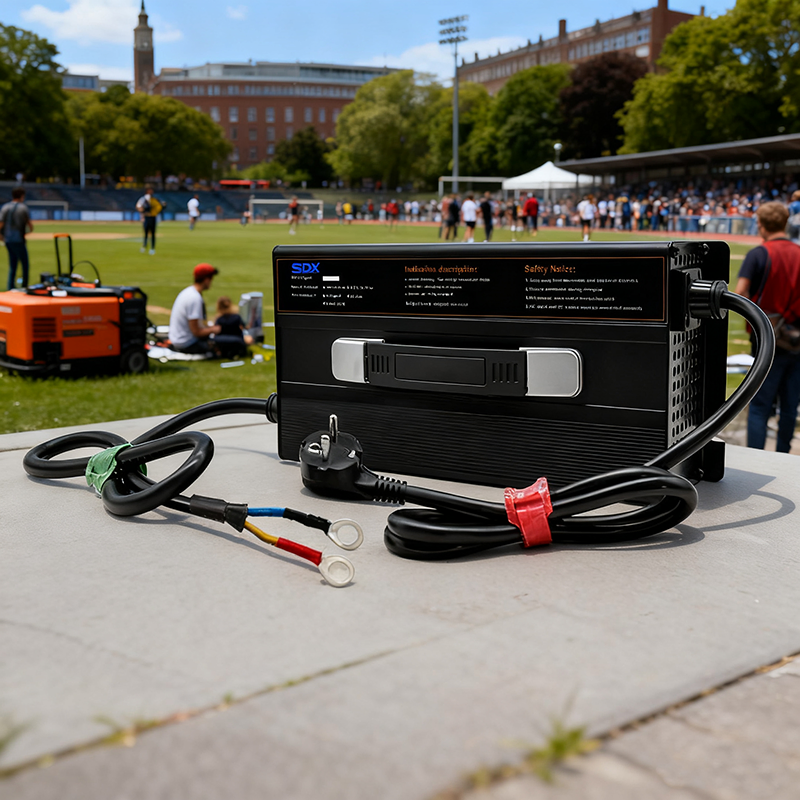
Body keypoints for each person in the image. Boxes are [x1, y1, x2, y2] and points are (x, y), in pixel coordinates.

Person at [736, 201, 800, 452]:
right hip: (797, 339)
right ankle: (783, 456)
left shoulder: (758, 254)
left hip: (766, 340)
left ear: (761, 225)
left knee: (760, 404)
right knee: (790, 404)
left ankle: (756, 456)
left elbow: (740, 293)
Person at [168, 263, 222, 355]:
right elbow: (196, 332)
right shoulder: (194, 298)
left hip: (177, 338)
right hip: (186, 343)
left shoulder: (189, 292)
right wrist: (214, 329)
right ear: (206, 279)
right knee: (220, 346)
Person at [0, 187, 33, 290]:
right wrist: (26, 233)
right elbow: (30, 226)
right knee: (25, 264)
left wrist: (1, 236)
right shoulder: (23, 208)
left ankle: (11, 287)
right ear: (22, 196)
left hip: (8, 240)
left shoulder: (5, 207)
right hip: (19, 240)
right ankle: (24, 286)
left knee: (12, 265)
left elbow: (1, 224)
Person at [136, 185, 163, 255]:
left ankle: (152, 248)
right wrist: (143, 211)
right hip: (146, 217)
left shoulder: (155, 199)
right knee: (146, 233)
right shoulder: (143, 199)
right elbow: (138, 206)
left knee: (153, 233)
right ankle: (144, 246)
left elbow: (159, 206)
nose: (151, 192)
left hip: (153, 217)